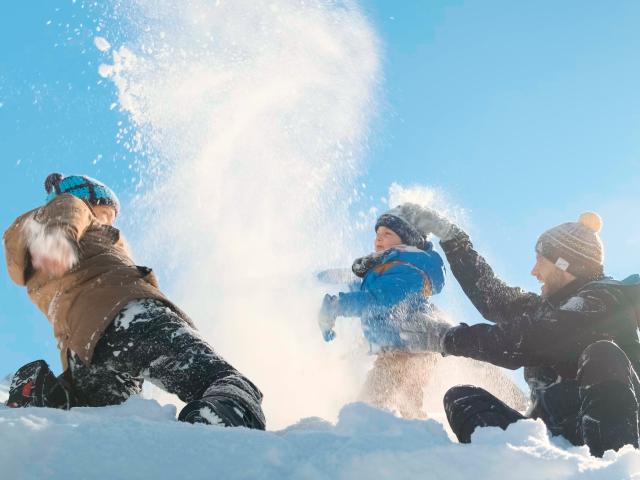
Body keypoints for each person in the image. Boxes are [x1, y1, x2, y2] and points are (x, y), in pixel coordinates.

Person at [3, 173, 265, 430]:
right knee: (224, 380)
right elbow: (64, 215)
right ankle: (221, 426)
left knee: (114, 417)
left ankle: (47, 397)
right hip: (127, 316)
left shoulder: (30, 260)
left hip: (83, 352)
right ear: (90, 199)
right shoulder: (69, 205)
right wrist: (56, 241)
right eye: (108, 212)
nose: (112, 221)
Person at [396, 203, 640, 457]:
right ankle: (526, 469)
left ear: (564, 264)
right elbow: (493, 297)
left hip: (609, 439)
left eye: (540, 261)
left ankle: (610, 468)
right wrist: (452, 238)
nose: (534, 272)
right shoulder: (548, 309)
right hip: (555, 441)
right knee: (462, 400)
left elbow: (532, 339)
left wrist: (448, 338)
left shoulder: (603, 299)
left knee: (602, 355)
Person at [318, 208, 446, 418]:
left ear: (407, 240)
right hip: (404, 349)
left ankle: (400, 437)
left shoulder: (408, 268)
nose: (379, 240)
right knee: (408, 406)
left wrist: (337, 306)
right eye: (377, 235)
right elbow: (366, 289)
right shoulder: (385, 267)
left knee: (367, 407)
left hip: (409, 350)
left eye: (387, 235)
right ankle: (417, 438)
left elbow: (380, 299)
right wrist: (326, 278)